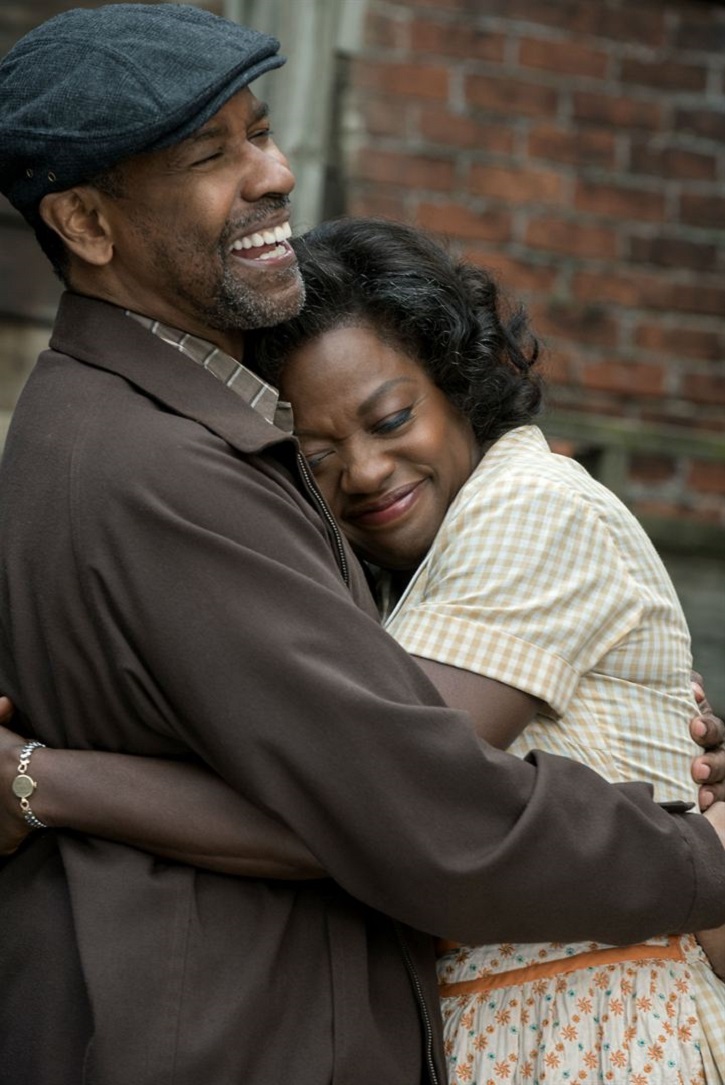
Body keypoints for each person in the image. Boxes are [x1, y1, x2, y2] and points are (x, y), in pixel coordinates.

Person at [1, 8, 725, 1084]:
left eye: (260, 132)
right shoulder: (164, 466)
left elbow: (379, 787)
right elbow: (402, 809)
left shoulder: (118, 430)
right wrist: (691, 850)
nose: (273, 174)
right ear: (88, 224)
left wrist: (38, 779)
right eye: (212, 154)